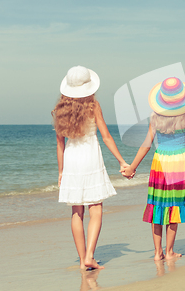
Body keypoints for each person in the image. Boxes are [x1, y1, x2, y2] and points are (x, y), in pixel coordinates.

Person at [122, 76, 185, 261]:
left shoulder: (155, 118)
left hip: (159, 165)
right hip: (179, 165)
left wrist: (132, 168)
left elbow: (146, 145)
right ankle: (169, 251)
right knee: (174, 207)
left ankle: (157, 252)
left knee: (158, 207)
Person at [53, 66, 131, 270]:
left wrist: (61, 172)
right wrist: (122, 162)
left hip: (71, 160)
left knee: (76, 211)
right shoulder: (93, 106)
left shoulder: (58, 111)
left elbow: (60, 145)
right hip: (90, 157)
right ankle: (89, 256)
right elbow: (106, 136)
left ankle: (82, 260)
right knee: (95, 208)